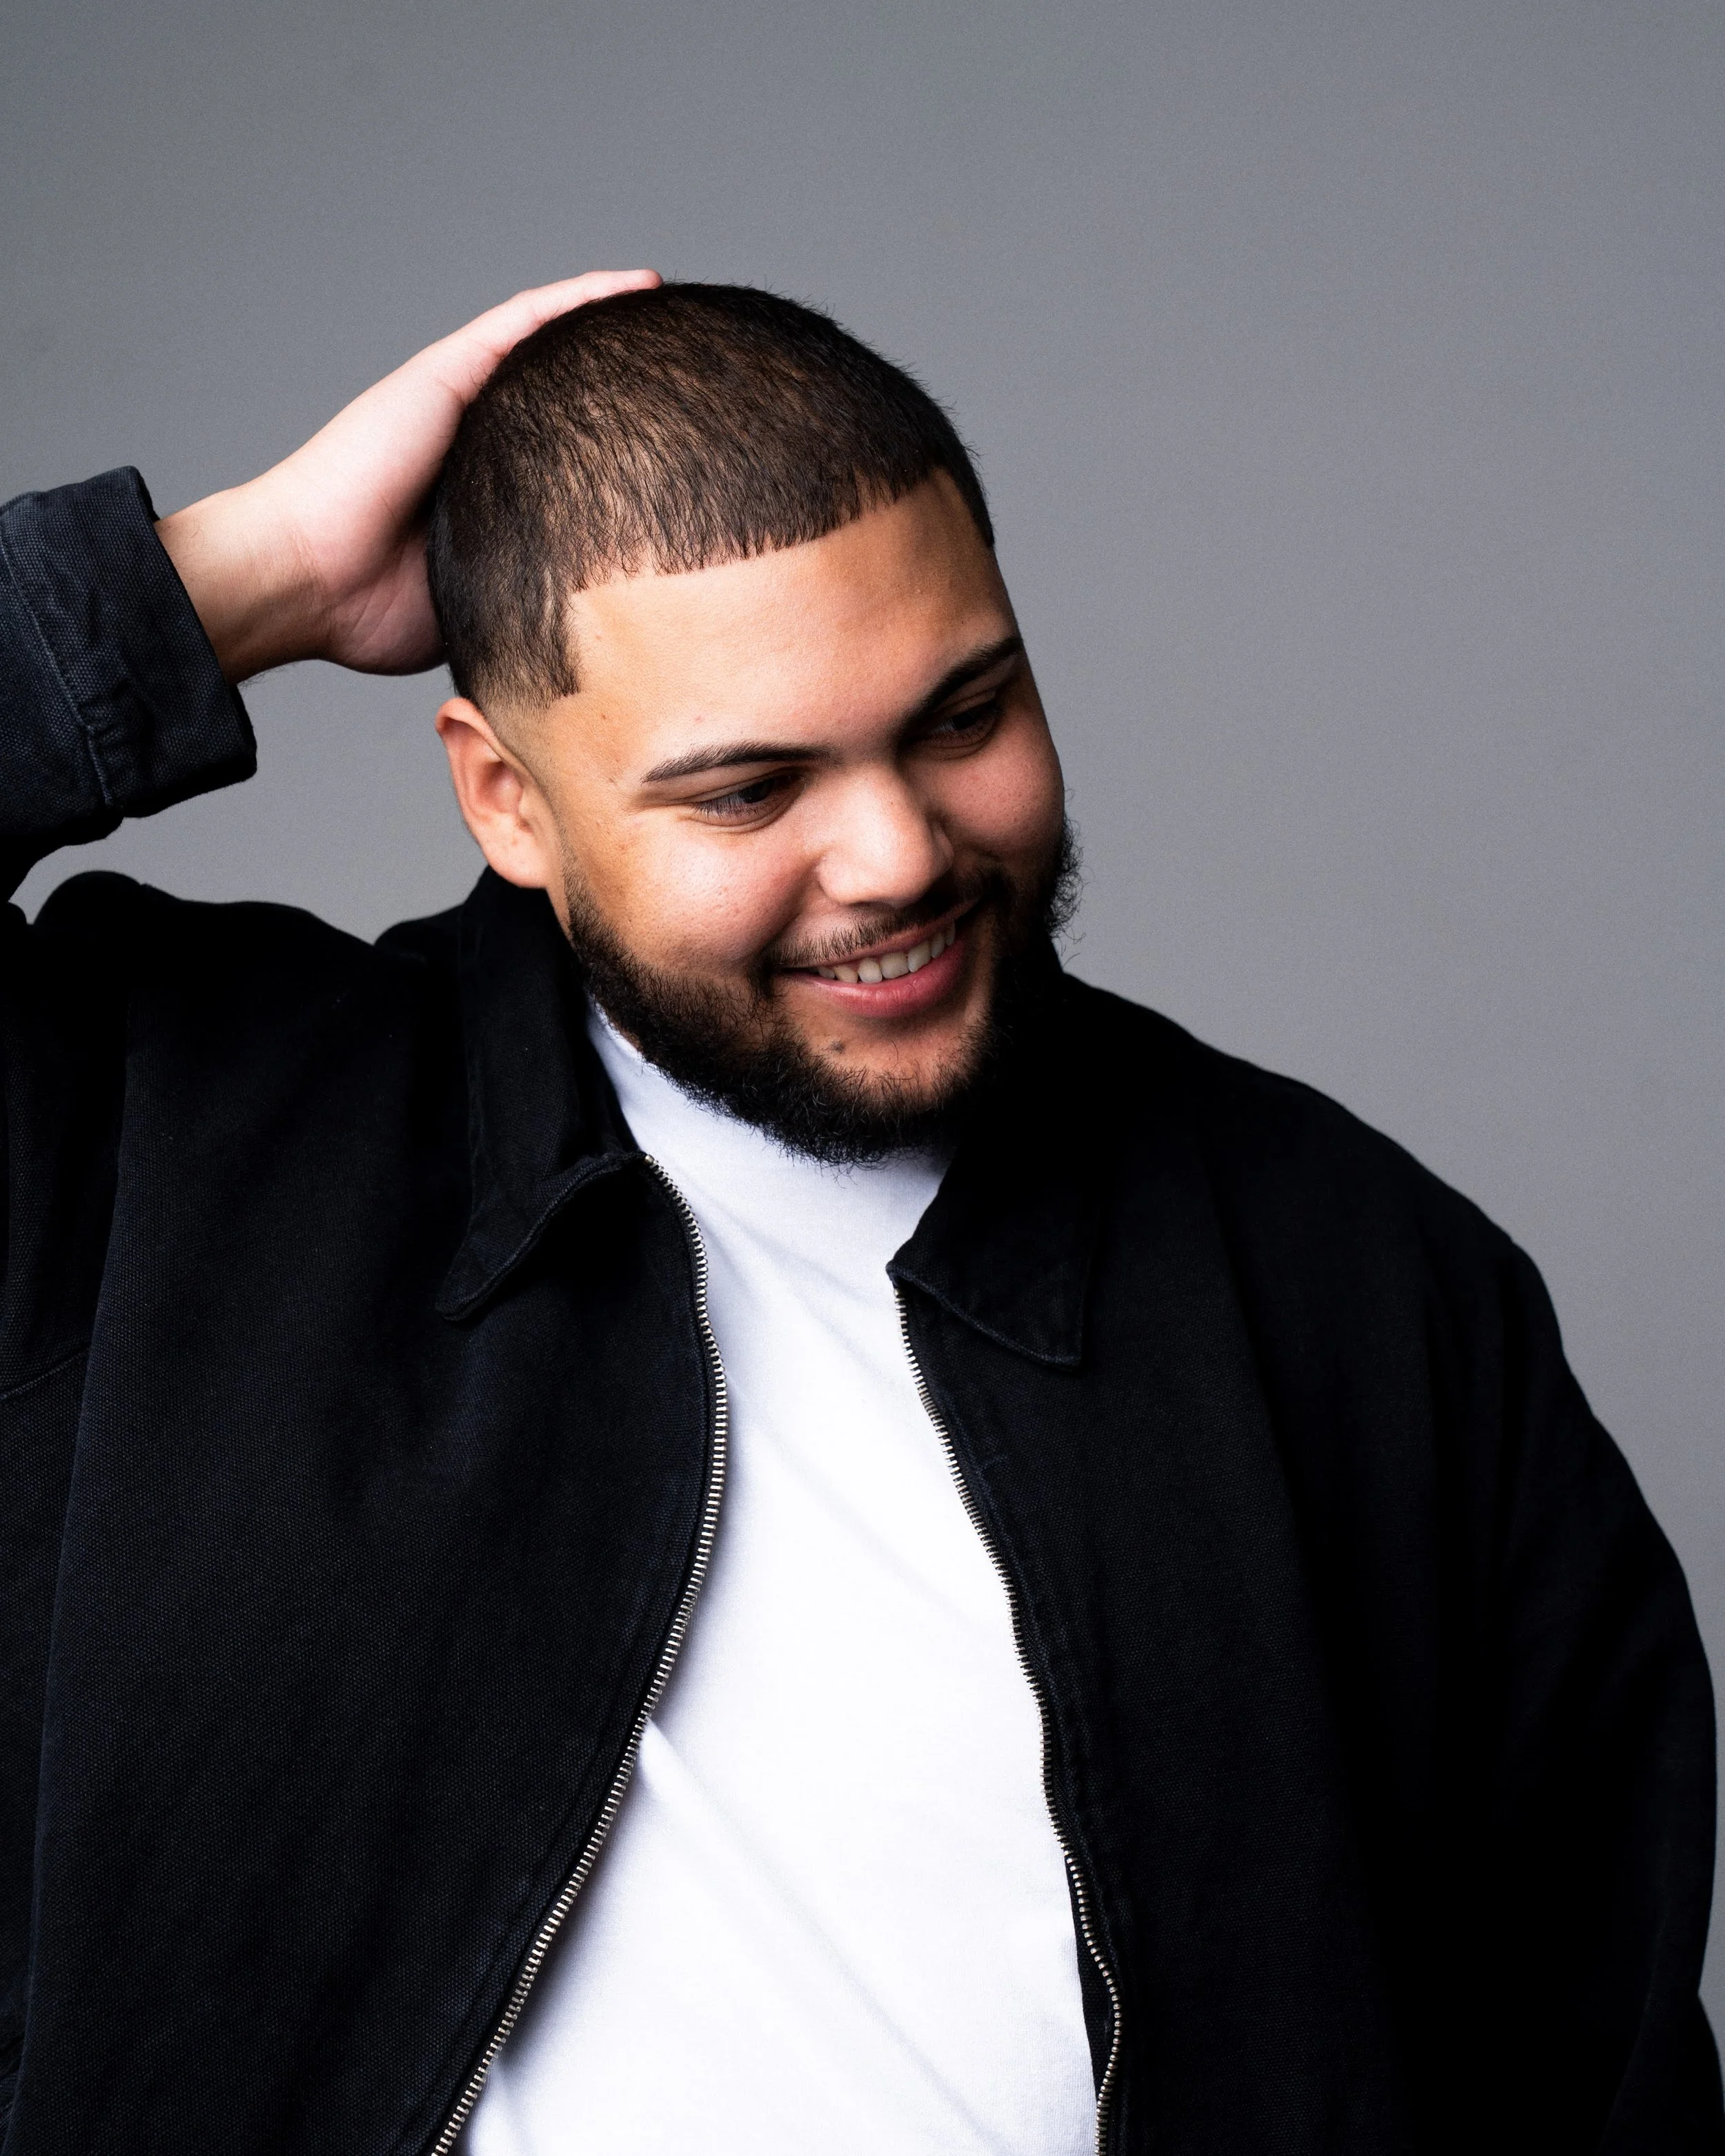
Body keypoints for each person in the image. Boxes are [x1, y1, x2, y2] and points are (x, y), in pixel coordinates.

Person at [0, 268, 1716, 2156]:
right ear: (505, 799)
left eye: (962, 711)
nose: (898, 853)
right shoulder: (164, 1142)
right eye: (749, 788)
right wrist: (224, 580)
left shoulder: (1360, 1289)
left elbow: (1596, 2074)